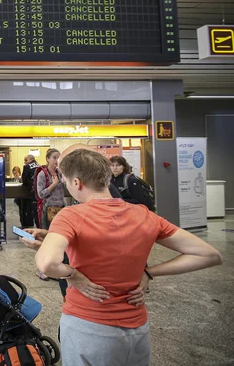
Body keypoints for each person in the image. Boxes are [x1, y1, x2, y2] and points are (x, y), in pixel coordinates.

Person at [28, 149, 222, 366]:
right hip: (137, 329)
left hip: (88, 326)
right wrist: (149, 272)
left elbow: (47, 263)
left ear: (76, 182)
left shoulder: (71, 215)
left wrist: (73, 275)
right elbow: (209, 254)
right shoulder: (144, 214)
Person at [36, 148, 65, 230]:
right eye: (54, 158)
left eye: (58, 158)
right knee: (48, 233)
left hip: (61, 208)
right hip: (49, 209)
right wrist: (54, 184)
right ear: (48, 159)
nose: (56, 160)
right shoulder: (42, 174)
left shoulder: (60, 173)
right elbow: (41, 194)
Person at [20, 155, 40, 228]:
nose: (25, 162)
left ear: (31, 159)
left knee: (32, 210)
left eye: (26, 160)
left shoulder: (27, 167)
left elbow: (24, 180)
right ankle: (40, 226)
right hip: (41, 192)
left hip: (32, 191)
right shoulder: (40, 166)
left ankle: (30, 225)